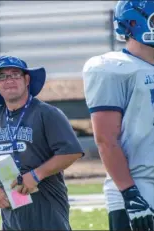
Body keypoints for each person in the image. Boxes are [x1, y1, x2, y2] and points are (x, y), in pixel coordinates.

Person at [0, 55, 84, 230]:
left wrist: (36, 175)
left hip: (47, 210)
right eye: (3, 76)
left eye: (15, 74)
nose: (9, 80)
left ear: (27, 80)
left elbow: (71, 152)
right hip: (11, 213)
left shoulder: (47, 113)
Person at [82, 1, 154, 230]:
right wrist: (130, 193)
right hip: (138, 186)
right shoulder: (112, 68)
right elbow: (105, 140)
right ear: (133, 23)